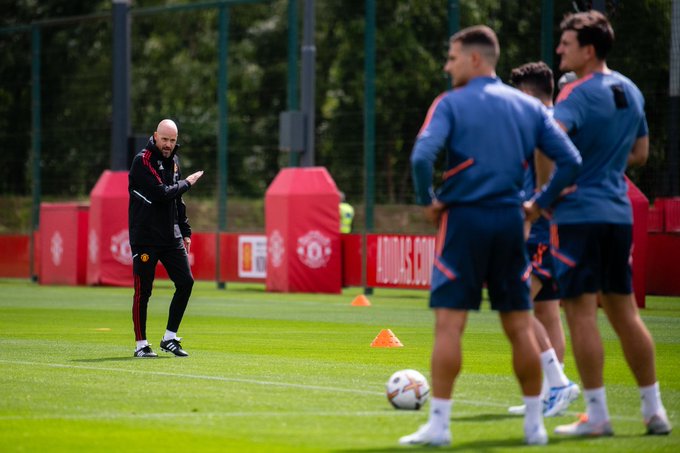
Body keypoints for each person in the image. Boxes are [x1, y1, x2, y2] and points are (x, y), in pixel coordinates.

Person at [401, 25, 581, 447]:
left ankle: (439, 427)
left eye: (452, 57)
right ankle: (535, 426)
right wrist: (537, 203)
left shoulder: (450, 103)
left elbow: (423, 155)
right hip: (509, 222)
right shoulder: (529, 106)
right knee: (520, 325)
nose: (447, 66)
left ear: (476, 59)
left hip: (463, 222)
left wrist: (427, 200)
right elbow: (570, 160)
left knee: (449, 325)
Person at [525, 10, 671, 436]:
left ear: (588, 50)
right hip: (617, 212)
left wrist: (542, 195)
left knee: (582, 315)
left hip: (577, 215)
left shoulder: (575, 94)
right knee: (626, 314)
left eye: (566, 43)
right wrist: (604, 164)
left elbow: (546, 140)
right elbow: (641, 153)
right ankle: (654, 410)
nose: (559, 50)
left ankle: (598, 415)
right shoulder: (631, 90)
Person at [507, 61, 580, 417]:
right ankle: (553, 393)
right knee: (548, 311)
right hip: (558, 228)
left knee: (517, 305)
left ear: (526, 94)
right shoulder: (559, 121)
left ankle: (558, 384)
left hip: (538, 228)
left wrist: (533, 209)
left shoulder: (543, 124)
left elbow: (551, 176)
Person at [128, 119, 204, 358]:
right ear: (155, 136)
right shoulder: (142, 161)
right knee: (144, 291)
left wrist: (186, 230)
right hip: (146, 237)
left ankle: (169, 338)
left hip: (170, 236)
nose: (168, 144)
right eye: (165, 139)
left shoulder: (174, 164)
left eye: (172, 140)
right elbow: (162, 194)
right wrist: (188, 182)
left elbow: (176, 200)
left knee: (186, 283)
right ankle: (141, 345)